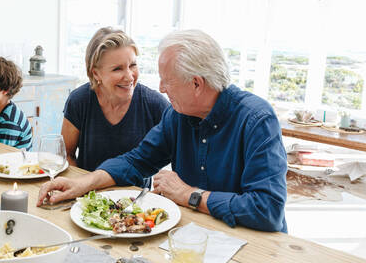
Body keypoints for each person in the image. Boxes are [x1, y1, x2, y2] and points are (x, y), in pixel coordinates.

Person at [38, 29, 288, 233]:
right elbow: (137, 161)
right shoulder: (177, 115)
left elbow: (267, 210)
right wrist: (81, 184)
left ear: (196, 83)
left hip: (253, 247)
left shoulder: (256, 119)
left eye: (167, 80)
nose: (161, 88)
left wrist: (190, 195)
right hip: (194, 238)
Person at [61, 27, 169, 184]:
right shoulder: (79, 100)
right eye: (117, 69)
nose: (129, 76)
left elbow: (181, 149)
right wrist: (81, 186)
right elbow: (67, 154)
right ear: (96, 73)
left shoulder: (154, 104)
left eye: (132, 65)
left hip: (136, 202)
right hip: (89, 197)